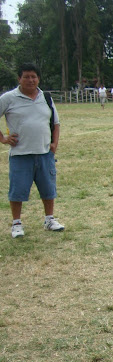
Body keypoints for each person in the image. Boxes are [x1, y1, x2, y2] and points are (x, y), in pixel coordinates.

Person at [0, 63, 64, 238]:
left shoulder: (46, 97)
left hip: (44, 153)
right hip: (20, 154)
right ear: (19, 78)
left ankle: (49, 219)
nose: (30, 80)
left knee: (48, 188)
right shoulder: (9, 98)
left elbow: (56, 124)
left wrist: (54, 145)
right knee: (17, 190)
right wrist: (4, 139)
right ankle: (16, 223)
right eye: (26, 76)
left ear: (38, 79)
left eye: (34, 76)